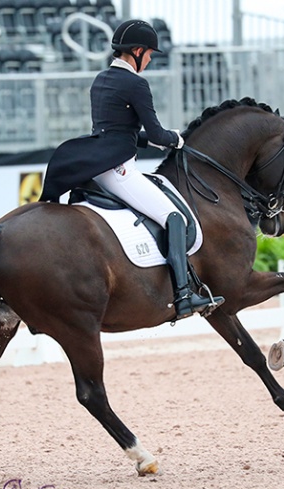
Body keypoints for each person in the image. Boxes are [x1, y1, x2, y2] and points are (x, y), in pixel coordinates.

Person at [40, 19, 224, 320]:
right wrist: (177, 139)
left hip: (97, 165)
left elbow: (116, 132)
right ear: (136, 51)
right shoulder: (136, 84)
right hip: (117, 169)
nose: (150, 59)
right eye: (149, 53)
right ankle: (183, 295)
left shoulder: (101, 79)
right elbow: (154, 132)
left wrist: (160, 142)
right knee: (174, 217)